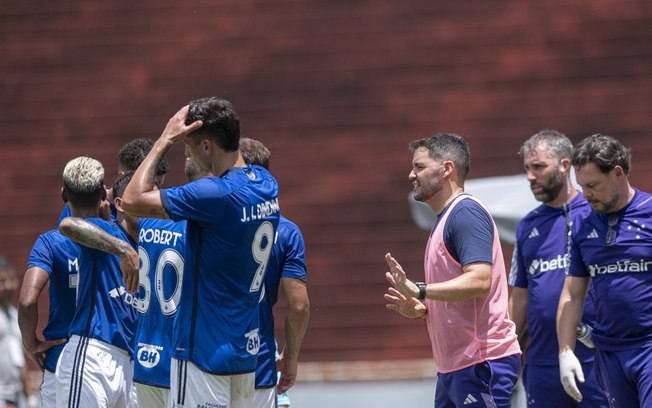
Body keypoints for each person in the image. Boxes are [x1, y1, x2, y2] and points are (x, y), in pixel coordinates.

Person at [122, 97, 281, 408]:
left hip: (202, 351)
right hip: (244, 349)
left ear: (207, 147)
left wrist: (165, 139)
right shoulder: (267, 184)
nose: (188, 154)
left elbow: (131, 199)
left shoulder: (213, 194)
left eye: (189, 146)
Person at [383, 133, 521, 408]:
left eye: (419, 167)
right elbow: (464, 294)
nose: (411, 175)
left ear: (447, 169)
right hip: (454, 368)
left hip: (481, 363)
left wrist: (422, 290)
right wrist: (423, 308)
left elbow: (480, 280)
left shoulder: (465, 214)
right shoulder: (446, 219)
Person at [509, 130, 608, 407]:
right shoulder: (527, 225)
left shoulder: (596, 213)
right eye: (527, 168)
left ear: (565, 166)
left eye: (538, 167)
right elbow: (520, 297)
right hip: (542, 363)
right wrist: (502, 353)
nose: (530, 176)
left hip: (596, 357)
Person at [557, 134, 652, 407]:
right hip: (608, 352)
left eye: (592, 185)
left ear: (618, 173)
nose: (584, 194)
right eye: (581, 186)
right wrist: (565, 352)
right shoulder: (581, 223)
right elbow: (572, 295)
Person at [18, 156, 115, 407]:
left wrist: (31, 344)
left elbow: (28, 301)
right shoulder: (120, 238)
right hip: (116, 360)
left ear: (63, 195)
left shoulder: (50, 243)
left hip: (61, 362)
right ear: (103, 193)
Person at [55, 157, 139, 408]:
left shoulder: (113, 230)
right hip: (92, 352)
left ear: (64, 195)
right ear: (104, 192)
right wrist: (124, 250)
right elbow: (68, 224)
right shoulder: (102, 233)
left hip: (126, 360)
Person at [239, 137, 310, 408]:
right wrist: (290, 356)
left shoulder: (209, 221)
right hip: (260, 359)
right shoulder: (287, 231)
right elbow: (299, 306)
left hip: (208, 358)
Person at [57, 137, 169, 224]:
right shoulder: (86, 204)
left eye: (159, 186)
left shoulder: (153, 211)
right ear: (122, 177)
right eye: (151, 187)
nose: (156, 194)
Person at [0, 257, 31, 408]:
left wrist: (30, 398)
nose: (8, 286)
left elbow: (19, 361)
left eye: (11, 280)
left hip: (17, 396)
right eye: (2, 282)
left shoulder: (14, 315)